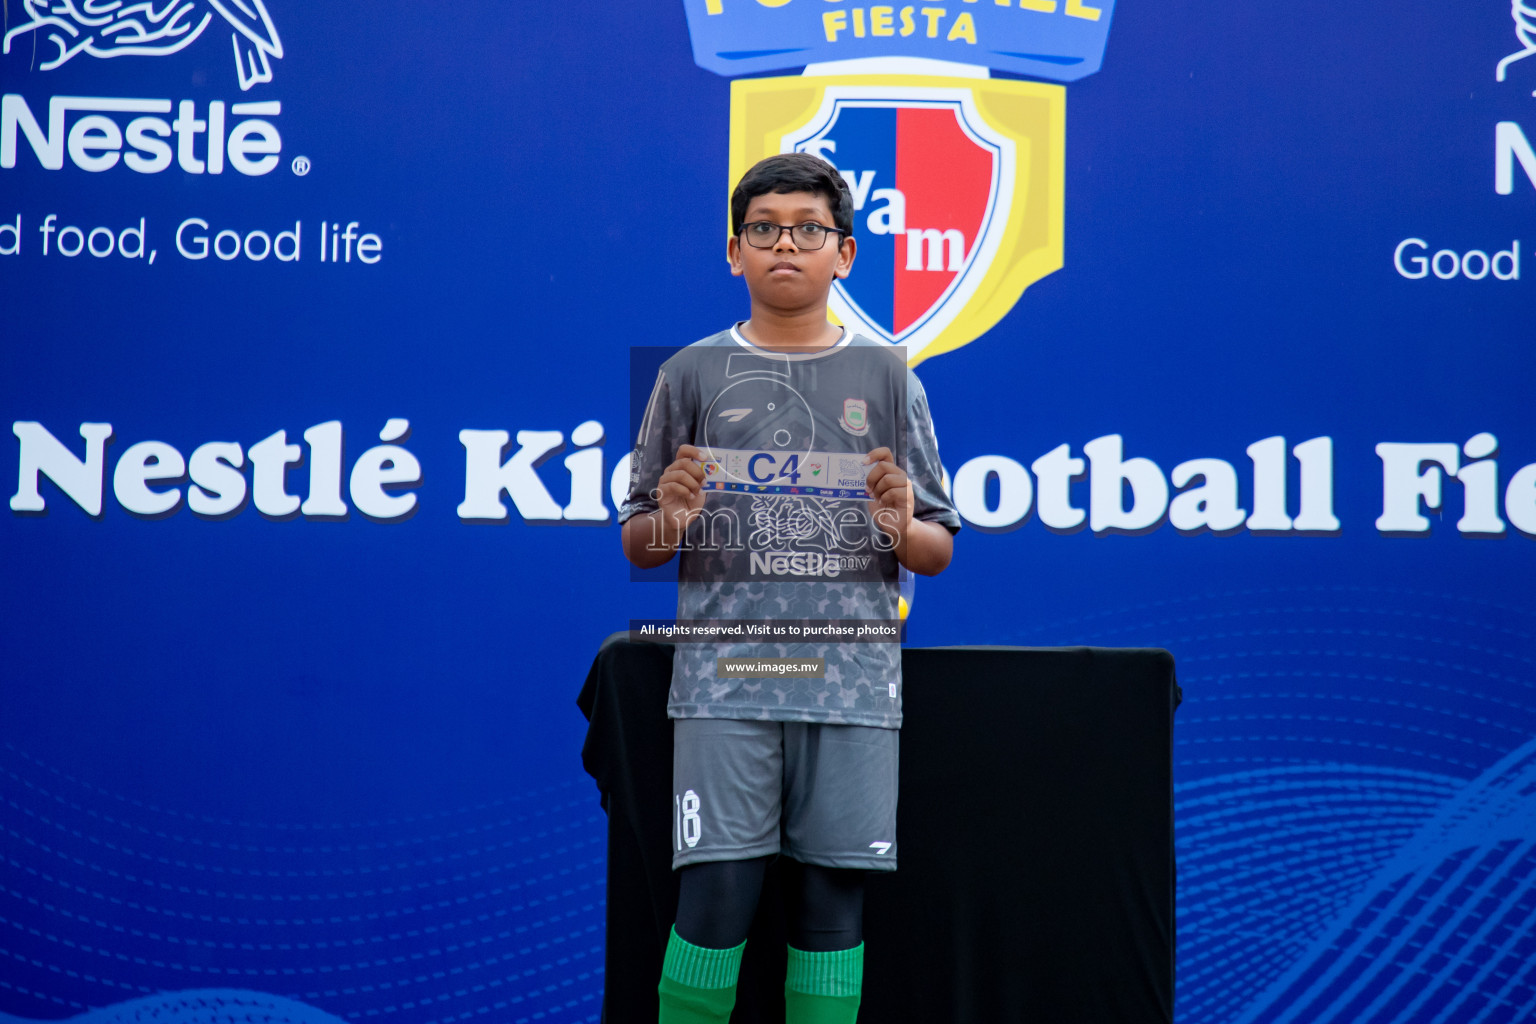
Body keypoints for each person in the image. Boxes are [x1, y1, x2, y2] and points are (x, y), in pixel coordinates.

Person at [619, 152, 960, 1024]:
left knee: (830, 912)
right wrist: (673, 516)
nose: (785, 244)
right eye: (764, 229)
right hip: (723, 685)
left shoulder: (889, 376)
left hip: (850, 689)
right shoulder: (687, 374)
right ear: (733, 251)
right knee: (714, 906)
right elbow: (639, 542)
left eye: (808, 230)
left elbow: (935, 550)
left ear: (844, 253)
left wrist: (899, 526)